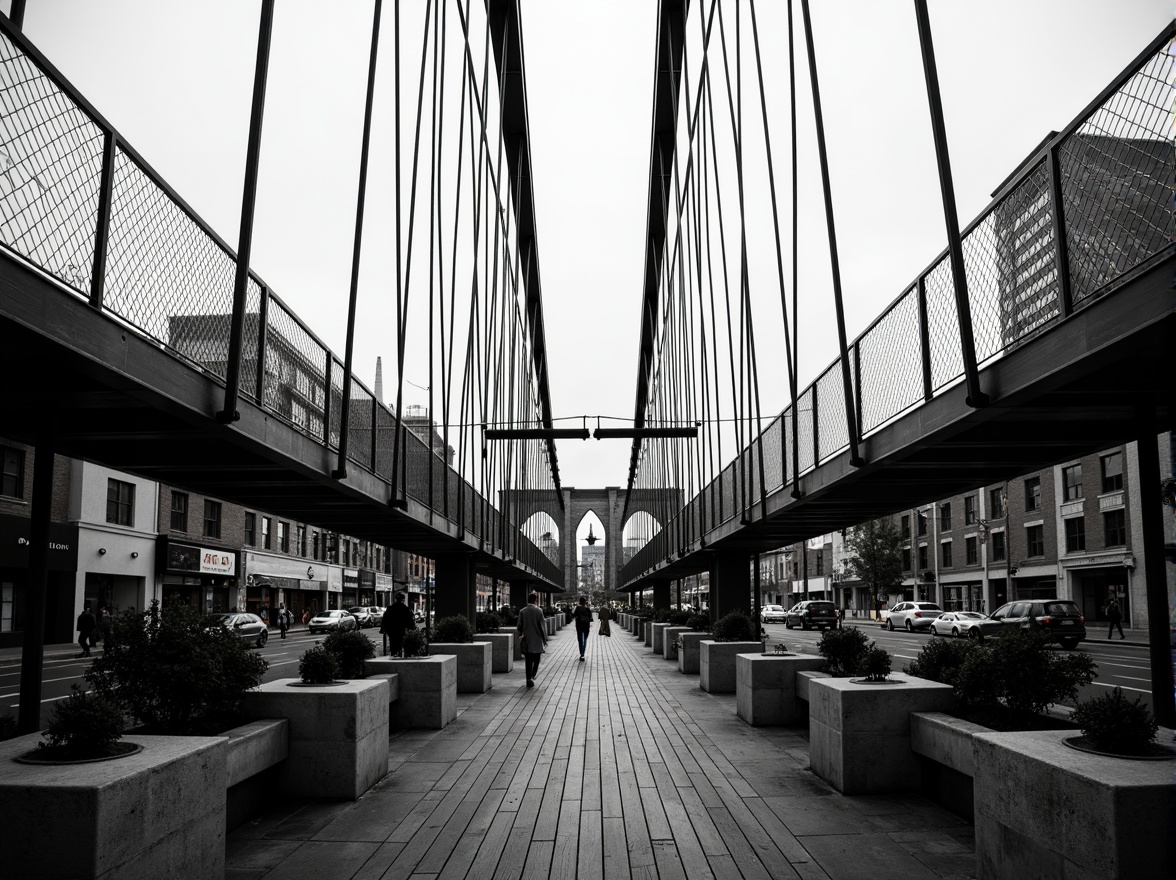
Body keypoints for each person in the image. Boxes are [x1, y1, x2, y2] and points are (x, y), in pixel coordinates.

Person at [516, 592, 548, 687]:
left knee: (528, 660)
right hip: (537, 639)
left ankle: (528, 679)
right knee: (537, 659)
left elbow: (519, 626)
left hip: (527, 639)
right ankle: (533, 674)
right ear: (535, 600)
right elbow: (542, 626)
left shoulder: (522, 611)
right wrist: (544, 639)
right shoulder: (539, 611)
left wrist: (521, 635)